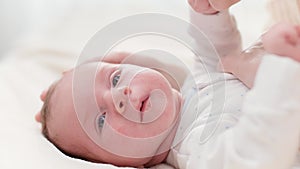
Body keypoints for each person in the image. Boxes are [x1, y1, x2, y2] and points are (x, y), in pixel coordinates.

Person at [35, 0, 300, 168]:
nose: (119, 95)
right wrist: (281, 67)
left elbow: (216, 57)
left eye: (115, 78)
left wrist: (208, 13)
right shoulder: (195, 152)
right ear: (122, 165)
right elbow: (256, 155)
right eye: (100, 120)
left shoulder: (192, 88)